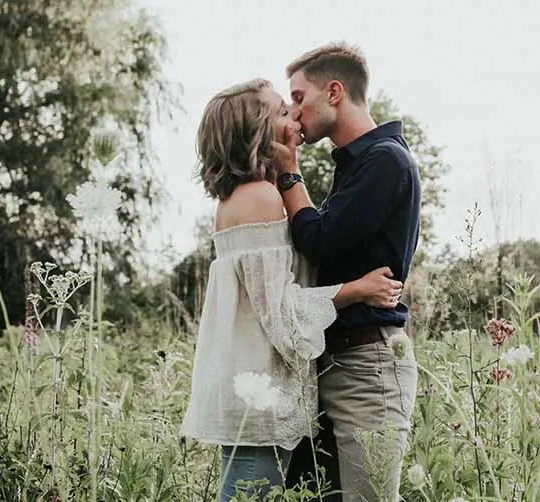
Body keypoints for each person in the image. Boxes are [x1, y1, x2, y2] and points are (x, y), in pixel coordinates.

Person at [178, 77, 406, 502]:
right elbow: (282, 314)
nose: (296, 115)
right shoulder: (259, 198)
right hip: (259, 401)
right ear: (259, 133)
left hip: (255, 395)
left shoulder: (250, 195)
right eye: (284, 110)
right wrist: (356, 289)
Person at [276, 43, 421, 502]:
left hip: (368, 369)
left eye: (299, 97)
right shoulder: (359, 163)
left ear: (334, 91)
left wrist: (288, 175)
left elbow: (321, 242)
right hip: (335, 362)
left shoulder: (384, 160)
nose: (294, 112)